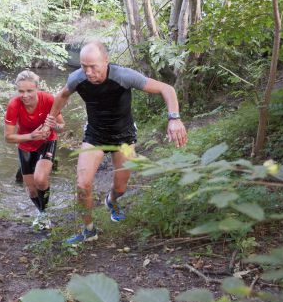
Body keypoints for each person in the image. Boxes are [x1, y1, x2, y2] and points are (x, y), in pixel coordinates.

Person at [44, 41, 188, 244]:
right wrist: (52, 116)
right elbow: (62, 95)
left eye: (93, 66)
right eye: (84, 66)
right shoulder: (77, 78)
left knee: (121, 187)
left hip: (124, 138)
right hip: (95, 135)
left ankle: (111, 200)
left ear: (106, 61)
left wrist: (174, 118)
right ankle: (89, 230)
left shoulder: (123, 76)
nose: (88, 72)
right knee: (83, 185)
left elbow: (166, 89)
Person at [4, 70, 65, 230]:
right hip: (25, 144)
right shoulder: (14, 105)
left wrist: (54, 126)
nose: (25, 95)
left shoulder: (49, 100)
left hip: (47, 141)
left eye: (29, 91)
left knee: (40, 179)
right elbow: (8, 137)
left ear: (37, 88)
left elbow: (61, 127)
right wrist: (31, 136)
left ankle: (44, 215)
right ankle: (41, 213)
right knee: (31, 191)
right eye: (21, 91)